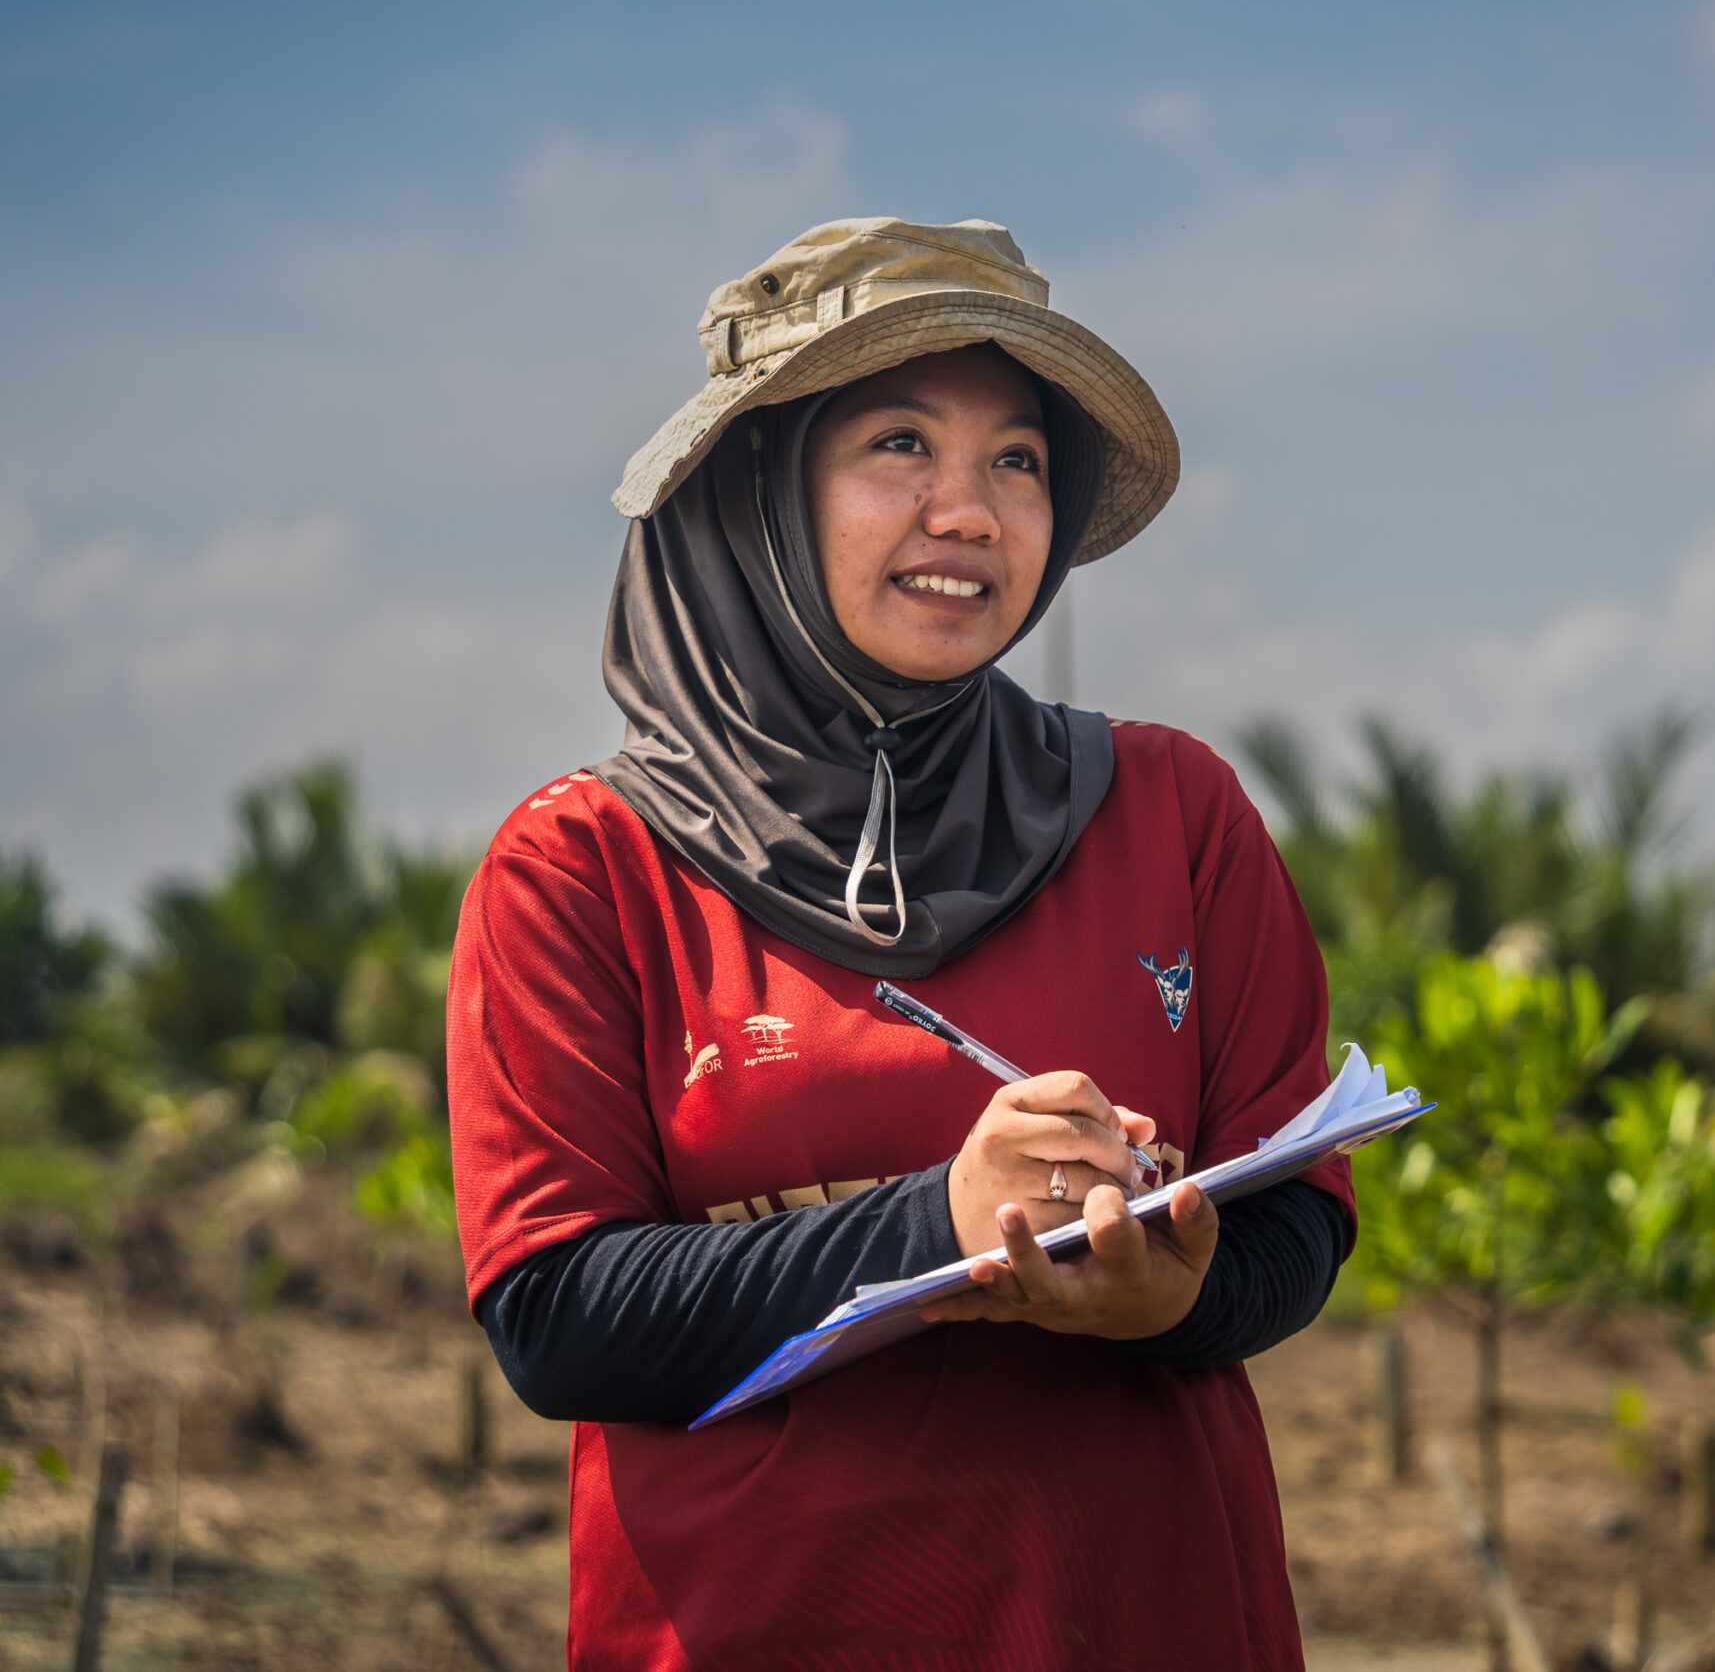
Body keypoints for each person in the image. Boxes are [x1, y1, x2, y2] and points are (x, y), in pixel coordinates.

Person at [446, 217, 1355, 1671]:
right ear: (758, 489)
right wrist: (941, 1223)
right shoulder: (581, 867)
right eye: (897, 446)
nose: (971, 512)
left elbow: (1301, 1216)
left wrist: (1172, 1293)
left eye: (1017, 460)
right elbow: (557, 1317)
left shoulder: (1175, 811)